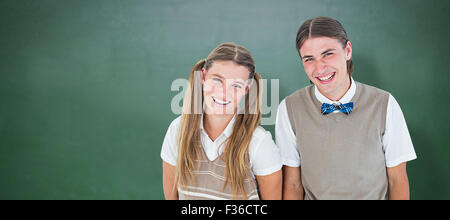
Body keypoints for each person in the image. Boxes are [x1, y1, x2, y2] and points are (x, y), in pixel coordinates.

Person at [276, 17, 417, 200]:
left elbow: (397, 180)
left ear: (347, 50)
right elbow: (293, 185)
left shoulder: (384, 104)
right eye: (309, 59)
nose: (320, 68)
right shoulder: (289, 108)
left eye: (328, 54)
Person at [161, 42, 282, 200]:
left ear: (247, 88)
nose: (224, 93)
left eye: (236, 85)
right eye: (217, 80)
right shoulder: (178, 130)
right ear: (203, 76)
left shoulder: (259, 143)